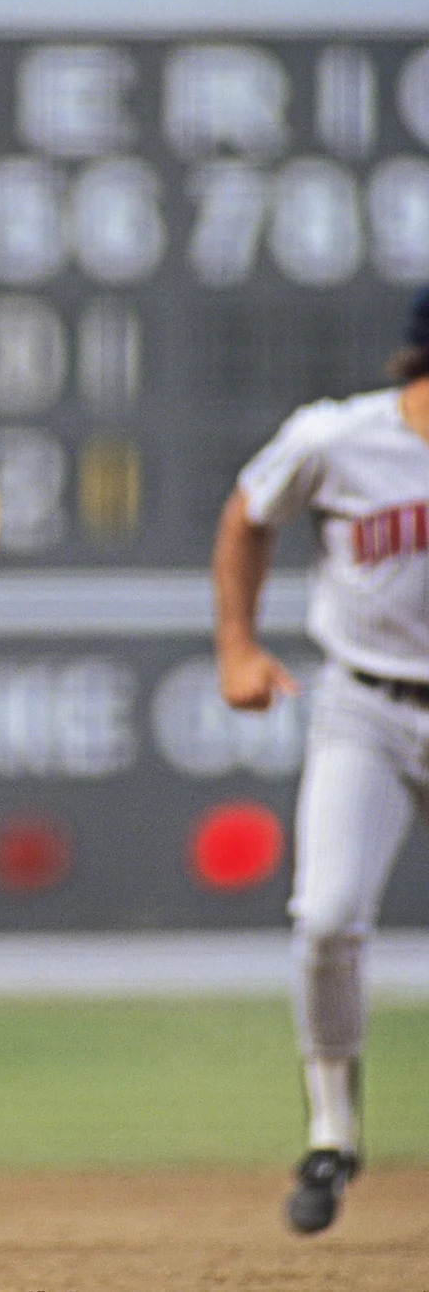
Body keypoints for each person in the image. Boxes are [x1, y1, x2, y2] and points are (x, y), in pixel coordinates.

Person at [211, 284, 429, 1236]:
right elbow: (248, 515)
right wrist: (236, 646)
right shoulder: (337, 437)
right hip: (368, 708)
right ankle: (333, 1131)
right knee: (328, 917)